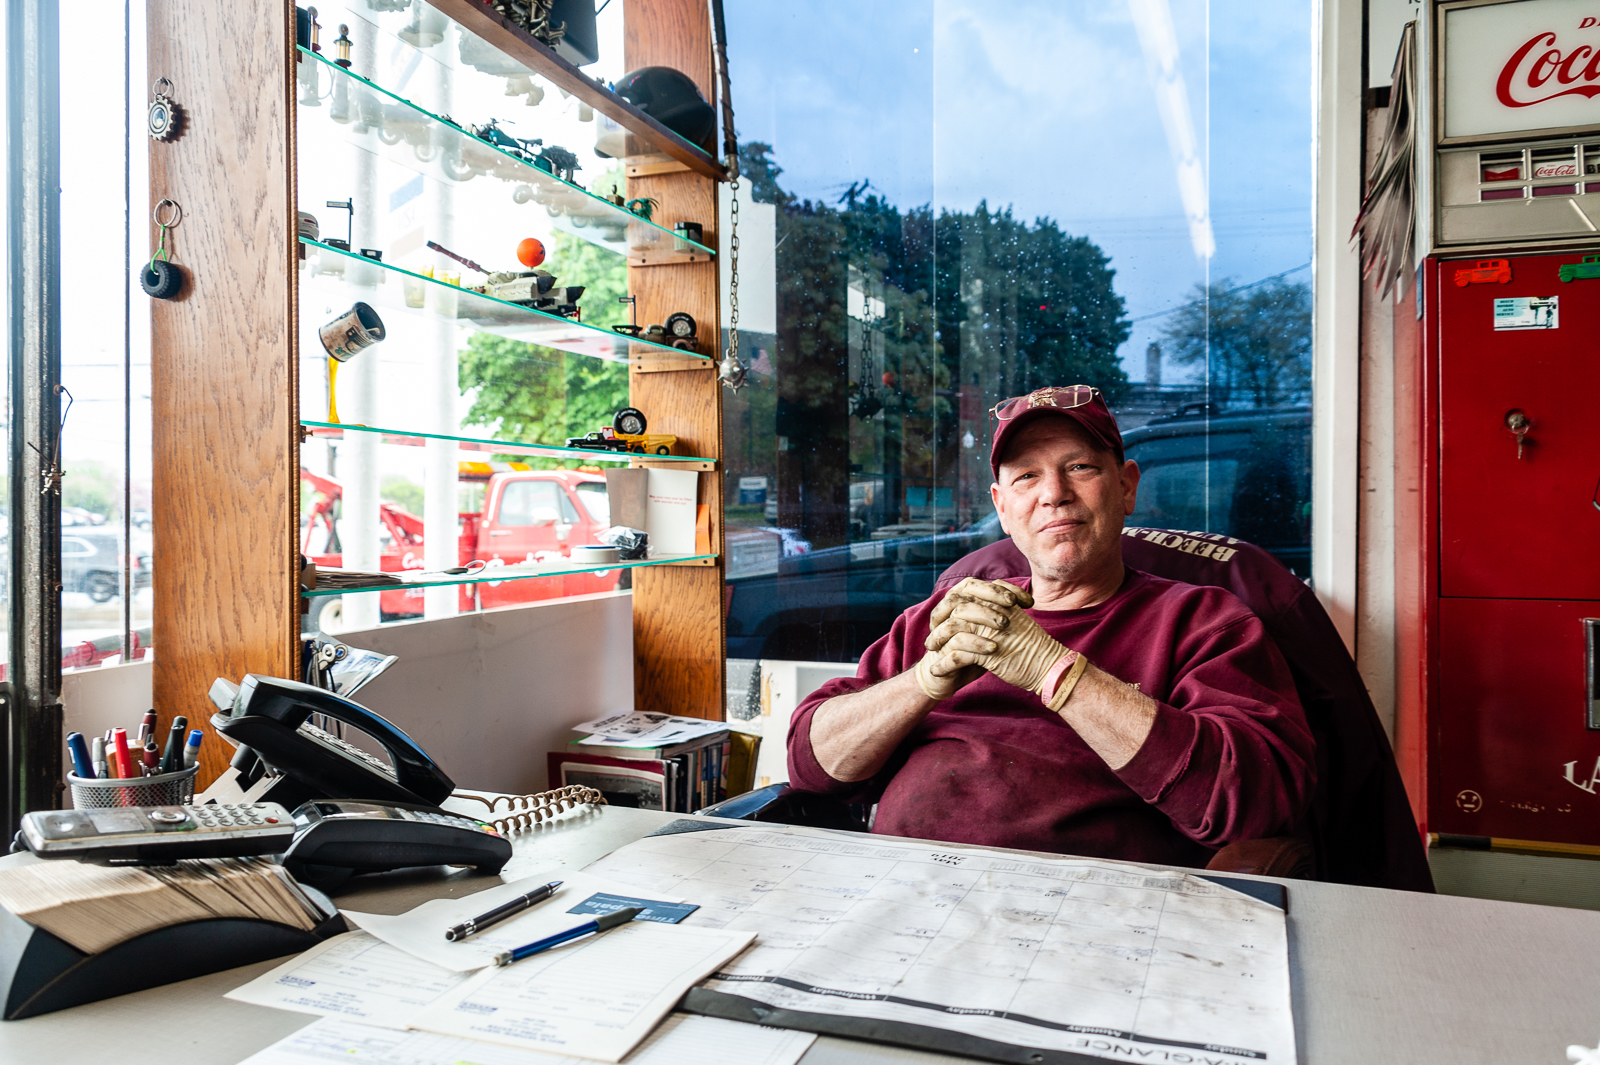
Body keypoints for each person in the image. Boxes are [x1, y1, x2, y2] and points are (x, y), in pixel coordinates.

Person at [786, 385, 1316, 869]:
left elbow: (1256, 803)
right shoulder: (945, 617)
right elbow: (812, 767)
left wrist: (1052, 670)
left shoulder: (1202, 622)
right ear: (1001, 506)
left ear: (1127, 486)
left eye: (1080, 467)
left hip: (1088, 921)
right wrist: (923, 683)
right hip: (903, 893)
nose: (1054, 493)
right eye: (1026, 477)